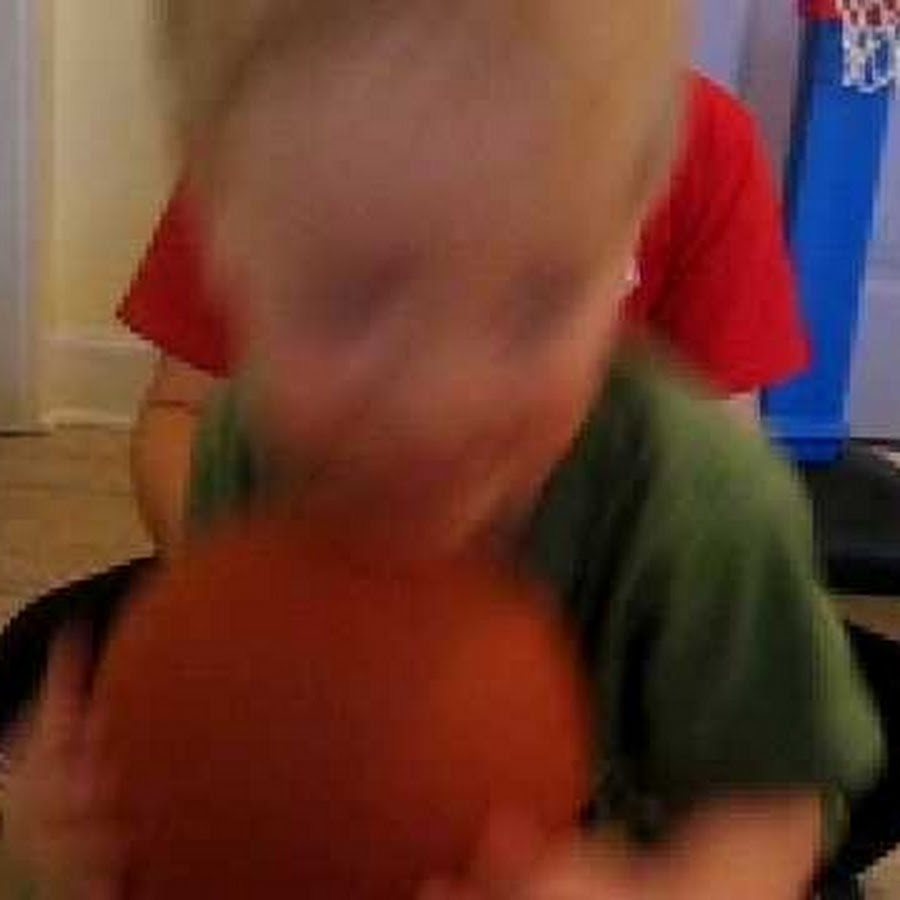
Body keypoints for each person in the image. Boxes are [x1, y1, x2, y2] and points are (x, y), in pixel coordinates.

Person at [0, 0, 887, 897]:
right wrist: (76, 853)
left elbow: (771, 819)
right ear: (226, 254)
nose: (440, 402)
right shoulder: (250, 445)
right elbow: (237, 743)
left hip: (629, 849)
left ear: (627, 238)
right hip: (349, 830)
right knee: (52, 670)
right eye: (351, 302)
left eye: (534, 305)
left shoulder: (696, 502)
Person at [121, 69, 809, 558]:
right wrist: (236, 603)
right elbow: (181, 416)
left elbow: (726, 479)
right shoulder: (266, 137)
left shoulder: (701, 139)